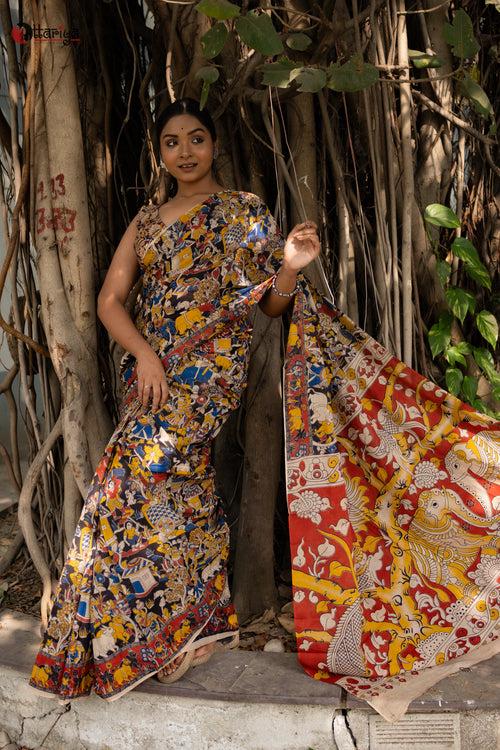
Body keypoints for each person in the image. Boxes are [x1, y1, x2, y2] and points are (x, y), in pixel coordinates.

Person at [29, 97, 499, 722]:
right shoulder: (147, 220)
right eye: (173, 142)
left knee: (135, 479)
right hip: (151, 374)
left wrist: (289, 268)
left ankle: (153, 625)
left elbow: (271, 307)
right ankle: (189, 623)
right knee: (170, 486)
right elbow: (111, 299)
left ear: (214, 145)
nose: (187, 151)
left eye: (198, 138)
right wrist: (144, 355)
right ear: (160, 154)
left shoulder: (244, 212)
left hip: (206, 376)